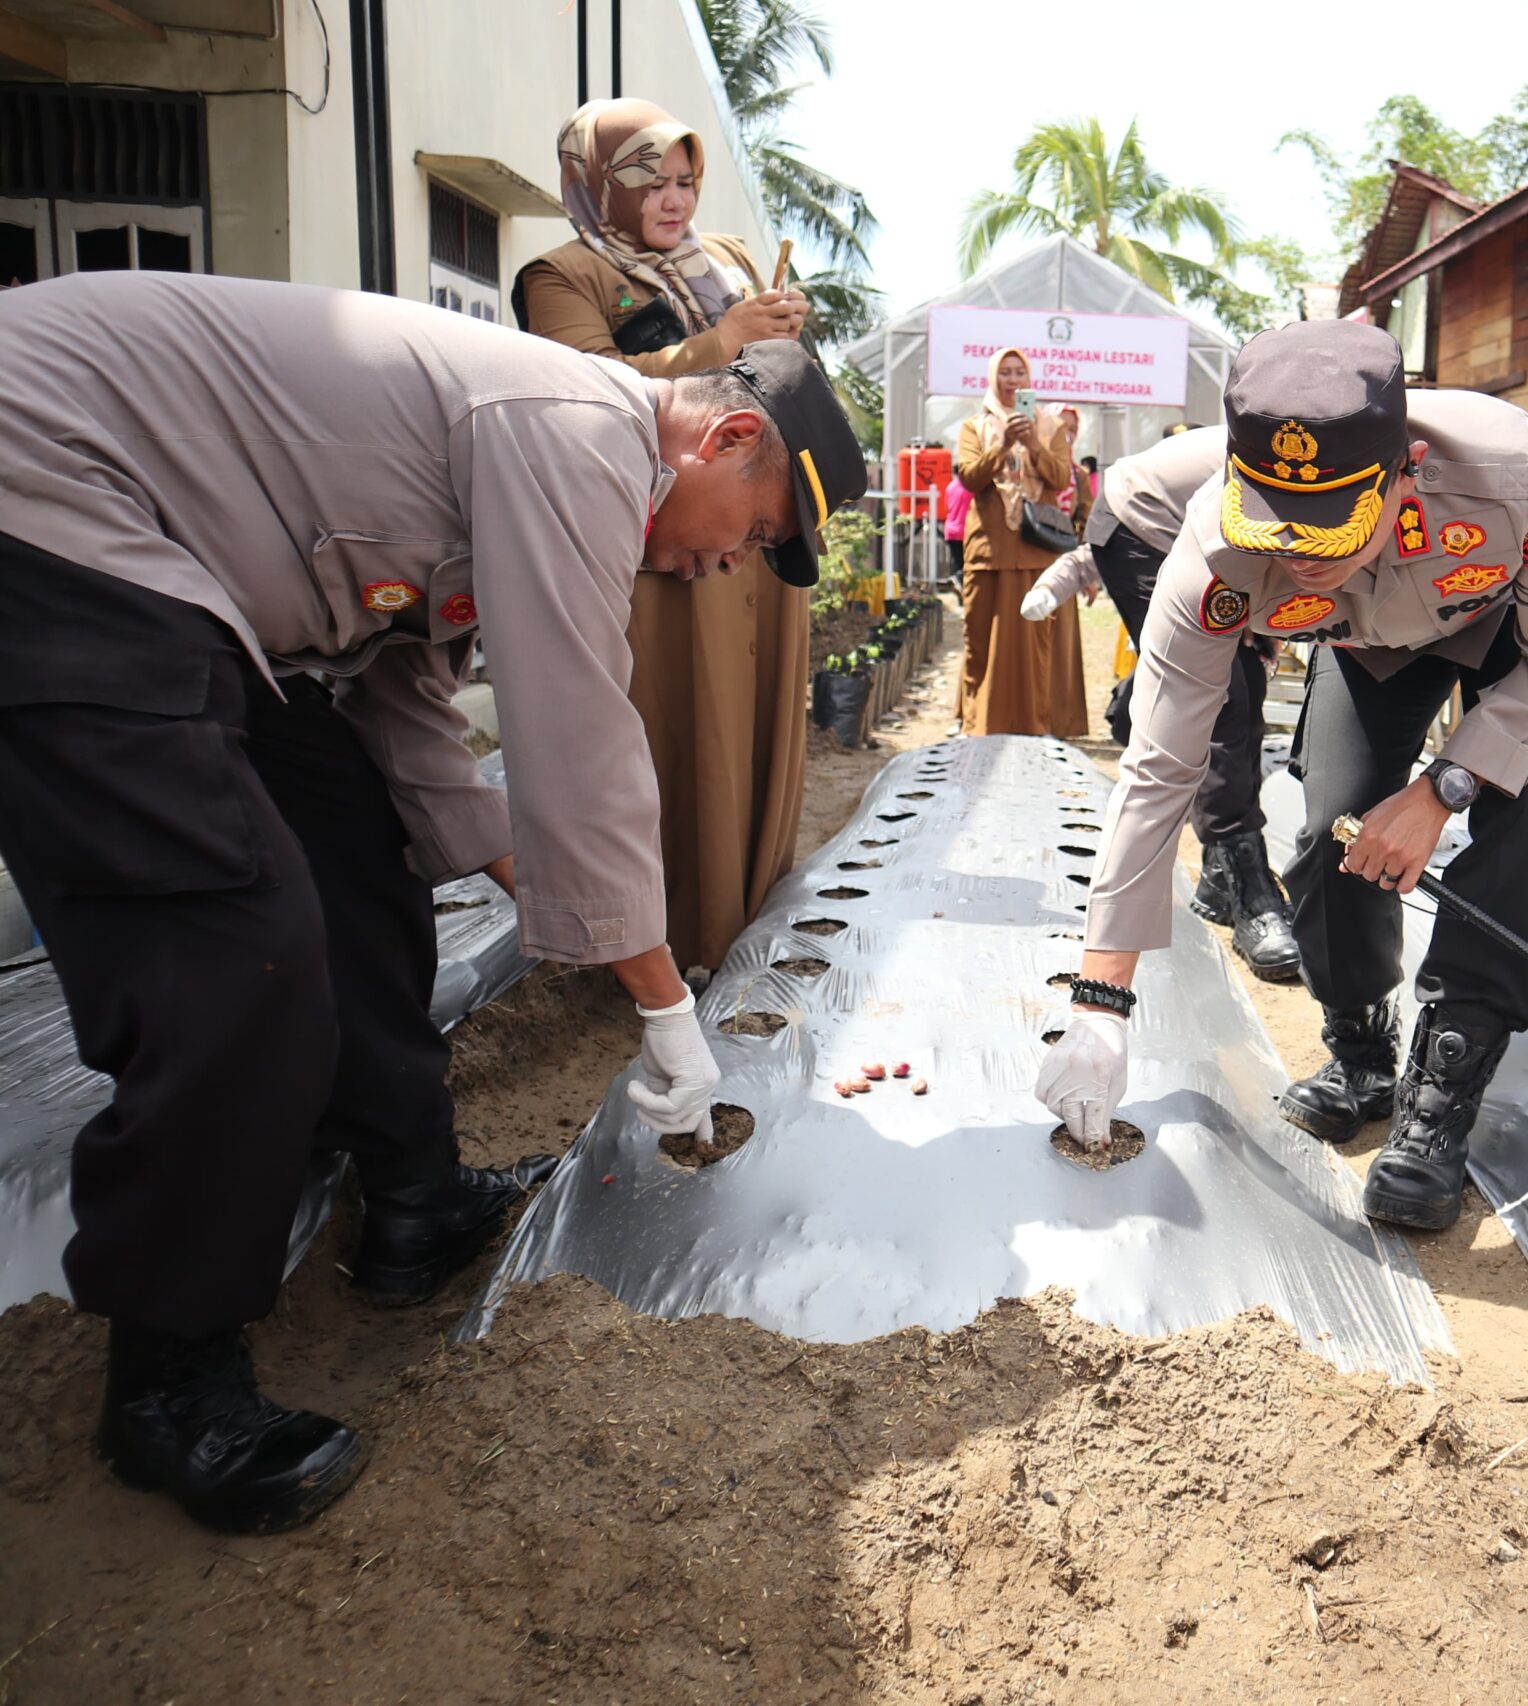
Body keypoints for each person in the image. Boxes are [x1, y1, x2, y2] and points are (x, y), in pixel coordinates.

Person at [0, 270, 863, 1534]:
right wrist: (661, 998)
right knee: (236, 952)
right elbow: (574, 725)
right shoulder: (577, 428)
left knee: (358, 856)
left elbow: (404, 715)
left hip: (221, 594)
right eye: (755, 525)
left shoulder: (544, 440)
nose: (732, 557)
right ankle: (168, 1381)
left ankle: (411, 1198)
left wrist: (550, 887)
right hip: (55, 495)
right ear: (727, 437)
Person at [1034, 321, 1528, 1233]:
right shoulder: (1215, 548)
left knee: (1523, 808)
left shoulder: (1515, 482)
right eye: (1272, 522)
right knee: (1334, 823)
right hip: (1370, 642)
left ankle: (1442, 1089)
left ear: (1405, 467)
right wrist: (1100, 1001)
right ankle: (1360, 1047)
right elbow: (1160, 768)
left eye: (1327, 524)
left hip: (1509, 636)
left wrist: (1442, 789)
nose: (1295, 549)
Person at [516, 96, 811, 972]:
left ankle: (754, 918)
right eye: (649, 184)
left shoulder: (723, 259)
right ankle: (668, 942)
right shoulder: (561, 273)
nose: (674, 201)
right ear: (599, 186)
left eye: (685, 180)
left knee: (756, 722)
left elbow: (775, 379)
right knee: (687, 725)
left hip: (753, 526)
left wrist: (782, 339)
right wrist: (720, 342)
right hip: (665, 543)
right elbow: (584, 391)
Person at [1019, 425, 1301, 980]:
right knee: (1219, 694)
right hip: (1141, 528)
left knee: (1244, 686)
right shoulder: (1308, 463)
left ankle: (1222, 877)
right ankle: (1246, 885)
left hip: (1200, 528)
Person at [954, 348, 1085, 736]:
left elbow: (1062, 478)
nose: (1013, 381)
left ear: (1029, 381)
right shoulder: (974, 427)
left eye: (1019, 373)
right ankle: (978, 719)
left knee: (1038, 638)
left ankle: (1040, 721)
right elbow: (969, 479)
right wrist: (1001, 445)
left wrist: (1032, 445)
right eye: (1005, 373)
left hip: (1038, 548)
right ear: (993, 379)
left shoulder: (1051, 428)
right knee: (980, 635)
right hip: (990, 548)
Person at [941, 464, 971, 583]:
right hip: (965, 531)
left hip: (950, 531)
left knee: (958, 563)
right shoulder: (970, 488)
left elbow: (946, 507)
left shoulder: (950, 487)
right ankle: (960, 582)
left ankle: (957, 580)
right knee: (968, 566)